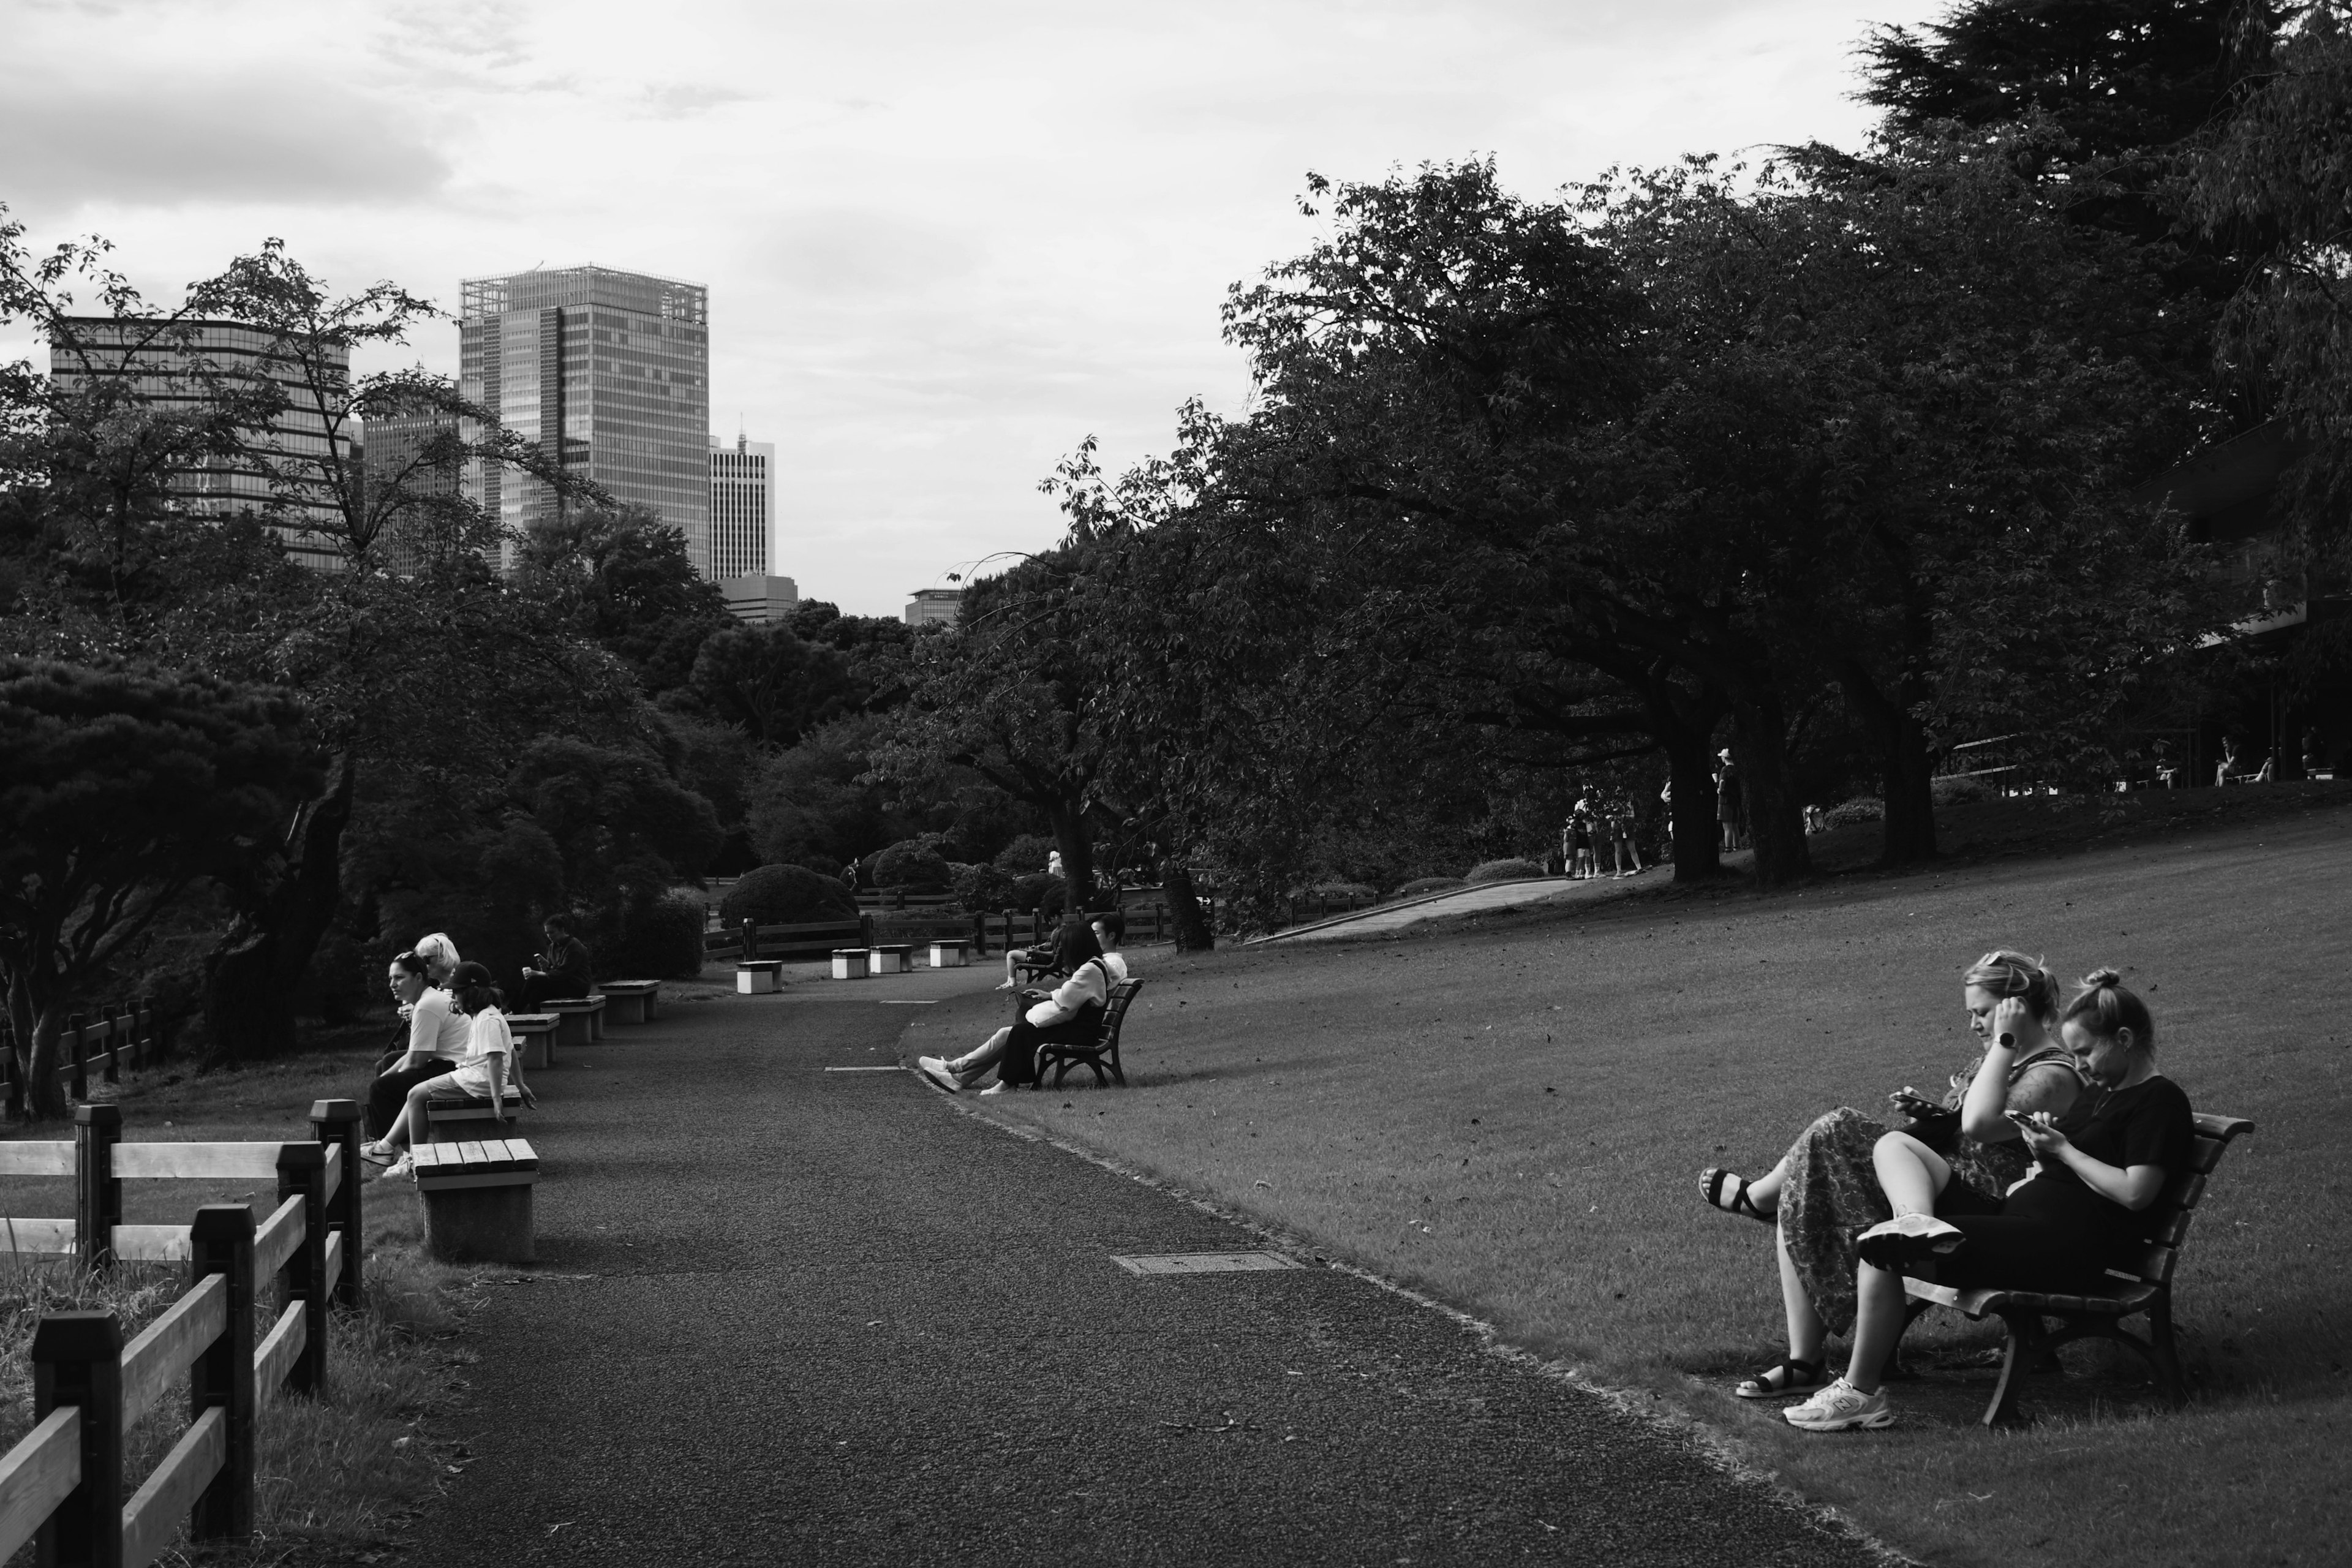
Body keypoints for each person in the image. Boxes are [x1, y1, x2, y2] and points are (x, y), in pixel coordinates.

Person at [1779, 969, 2194, 1433]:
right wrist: (2043, 1151)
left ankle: (1860, 1394)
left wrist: (2064, 1151)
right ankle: (1916, 1223)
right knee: (1896, 1189)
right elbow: (2072, 1166)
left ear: (2123, 1039)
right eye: (2075, 1054)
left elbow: (2136, 1194)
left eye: (2085, 1052)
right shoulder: (2102, 1094)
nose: (2080, 1065)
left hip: (2065, 1247)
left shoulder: (2159, 1101)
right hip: (2027, 1223)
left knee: (1884, 1249)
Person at [1698, 950, 2085, 1400]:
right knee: (1809, 1188)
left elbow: (1980, 1126)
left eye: (1981, 1014)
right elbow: (1972, 1128)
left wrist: (2004, 1042)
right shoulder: (2005, 1057)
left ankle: (1763, 1198)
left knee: (1837, 1128)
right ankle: (1804, 1362)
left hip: (1984, 1214)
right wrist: (1937, 1113)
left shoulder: (2051, 1074)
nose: (1974, 1025)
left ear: (2013, 1008)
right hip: (1944, 1190)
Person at [363, 961, 534, 1180]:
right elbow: (510, 1051)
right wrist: (520, 1086)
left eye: (456, 993)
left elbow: (495, 1060)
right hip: (473, 1076)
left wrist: (496, 1097)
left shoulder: (487, 1020)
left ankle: (417, 1161)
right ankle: (390, 1149)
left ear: (471, 993)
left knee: (416, 1095)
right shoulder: (488, 1015)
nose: (453, 998)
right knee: (416, 1093)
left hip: (477, 1080)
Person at [920, 914, 1122, 1095]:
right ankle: (957, 1075)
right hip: (1080, 1027)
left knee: (1019, 1033)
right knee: (1006, 1034)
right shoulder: (1094, 966)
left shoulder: (1089, 969)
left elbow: (1067, 1000)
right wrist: (1050, 995)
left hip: (1080, 1032)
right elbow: (1073, 995)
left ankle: (1005, 1084)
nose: (1062, 954)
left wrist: (1050, 998)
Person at [366, 948, 471, 1139]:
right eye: (391, 978)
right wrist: (385, 1075)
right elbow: (413, 1053)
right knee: (387, 1063)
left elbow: (416, 1062)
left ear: (418, 978)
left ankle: (397, 1151)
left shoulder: (426, 1005)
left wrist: (381, 1082)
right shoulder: (428, 998)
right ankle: (386, 1141)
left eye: (399, 978)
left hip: (457, 1070)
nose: (393, 984)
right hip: (451, 1062)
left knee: (381, 1089)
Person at [518, 914, 593, 1011]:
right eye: (547, 933)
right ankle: (539, 1022)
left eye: (552, 932)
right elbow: (552, 971)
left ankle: (515, 1011)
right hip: (562, 983)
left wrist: (537, 973)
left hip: (577, 986)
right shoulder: (553, 947)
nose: (549, 936)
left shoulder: (574, 946)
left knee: (533, 980)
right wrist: (546, 966)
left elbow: (563, 973)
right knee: (535, 995)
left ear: (562, 930)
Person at [1716, 749, 1745, 853]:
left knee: (1727, 826)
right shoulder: (1736, 770)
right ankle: (1736, 847)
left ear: (1724, 758)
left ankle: (1728, 849)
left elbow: (1723, 782)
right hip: (1735, 800)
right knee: (1735, 825)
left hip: (1725, 800)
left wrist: (1719, 789)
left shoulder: (1725, 770)